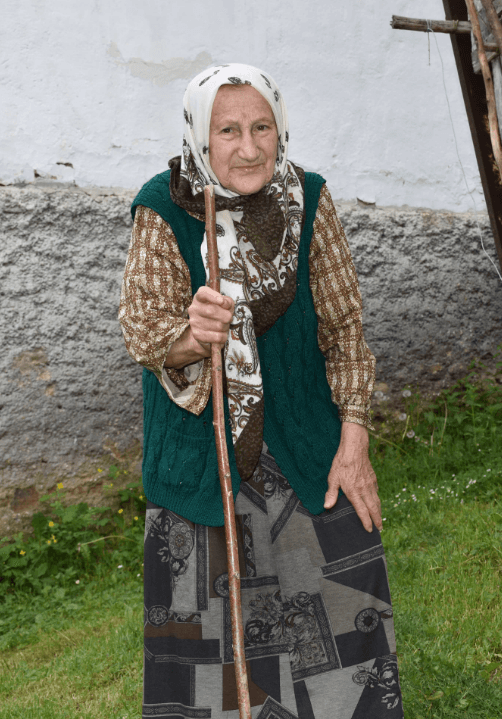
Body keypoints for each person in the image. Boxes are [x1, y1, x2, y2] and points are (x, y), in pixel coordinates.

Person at [119, 63, 403, 718]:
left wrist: (353, 438)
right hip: (204, 461)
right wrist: (192, 334)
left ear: (280, 128)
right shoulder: (163, 207)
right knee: (213, 660)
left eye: (261, 127)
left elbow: (344, 329)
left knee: (338, 639)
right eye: (228, 130)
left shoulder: (310, 199)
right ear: (200, 135)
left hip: (307, 450)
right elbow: (144, 330)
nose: (248, 148)